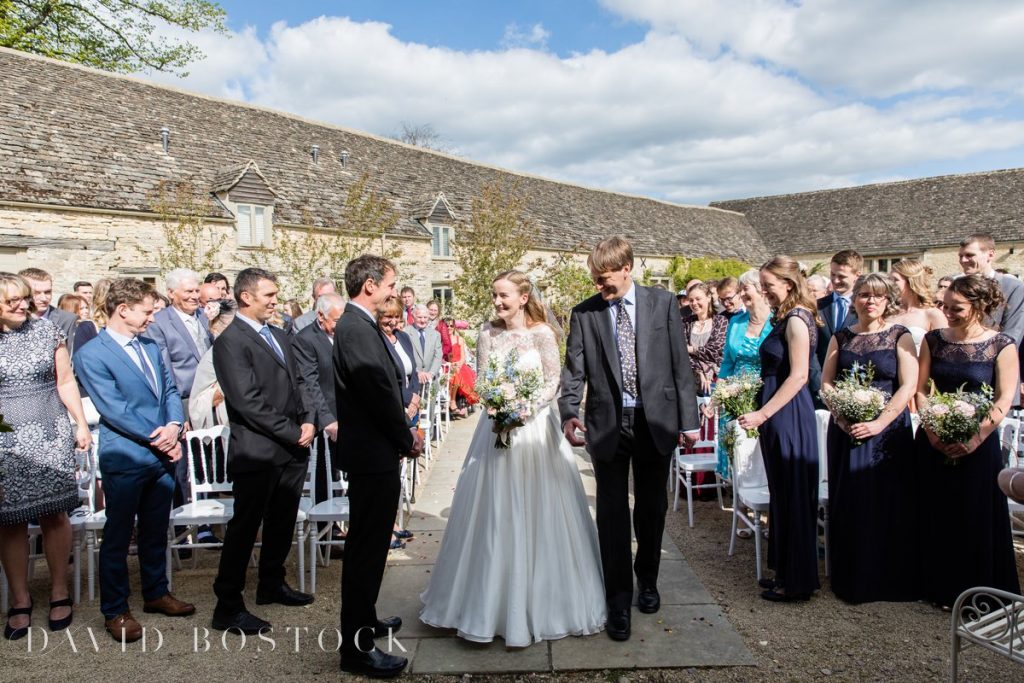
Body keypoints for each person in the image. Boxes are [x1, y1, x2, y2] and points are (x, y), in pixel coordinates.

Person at [421, 270, 606, 646]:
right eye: (494, 295)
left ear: (524, 297)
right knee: (492, 511)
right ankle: (483, 604)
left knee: (541, 509)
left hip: (535, 431)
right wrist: (498, 406)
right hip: (495, 432)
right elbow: (486, 378)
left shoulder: (542, 334)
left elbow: (553, 381)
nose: (497, 302)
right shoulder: (487, 334)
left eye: (504, 295)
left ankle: (545, 604)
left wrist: (524, 409)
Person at [560, 237, 700, 642]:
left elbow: (680, 364)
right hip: (606, 423)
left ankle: (648, 580)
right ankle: (618, 600)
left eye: (606, 280)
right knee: (612, 514)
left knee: (652, 509)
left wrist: (688, 422)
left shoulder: (663, 303)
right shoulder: (584, 314)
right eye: (596, 281)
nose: (601, 288)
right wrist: (569, 413)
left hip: (655, 420)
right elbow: (574, 372)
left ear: (627, 268)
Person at [74, 278, 196, 643]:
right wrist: (162, 439)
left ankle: (156, 593)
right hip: (126, 454)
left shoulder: (149, 344)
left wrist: (174, 426)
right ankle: (116, 609)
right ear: (123, 309)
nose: (152, 319)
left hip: (162, 452)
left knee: (157, 530)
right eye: (147, 311)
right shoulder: (91, 354)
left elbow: (170, 389)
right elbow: (115, 409)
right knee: (117, 535)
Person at [210, 268, 316, 635]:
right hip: (258, 451)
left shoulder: (278, 334)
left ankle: (271, 584)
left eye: (275, 294)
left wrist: (309, 421)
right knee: (245, 528)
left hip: (292, 447)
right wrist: (293, 432)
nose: (275, 300)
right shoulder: (230, 341)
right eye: (269, 295)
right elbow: (247, 401)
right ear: (246, 297)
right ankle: (227, 604)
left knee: (282, 520)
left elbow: (299, 381)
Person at [334, 255, 422, 678]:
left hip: (375, 453)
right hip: (372, 456)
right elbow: (378, 394)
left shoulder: (360, 326)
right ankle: (356, 650)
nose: (393, 292)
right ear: (369, 285)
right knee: (366, 551)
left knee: (370, 549)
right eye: (390, 284)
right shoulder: (355, 329)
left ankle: (366, 620)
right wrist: (406, 437)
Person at [914, 274, 1020, 608]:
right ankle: (935, 586)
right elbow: (921, 390)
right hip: (933, 439)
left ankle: (978, 593)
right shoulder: (933, 340)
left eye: (956, 307)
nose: (947, 312)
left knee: (974, 516)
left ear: (979, 306)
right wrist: (932, 429)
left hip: (979, 443)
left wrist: (974, 438)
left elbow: (1004, 399)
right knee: (934, 513)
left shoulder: (1001, 344)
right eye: (944, 305)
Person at [0, 273, 92, 640]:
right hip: (5, 441)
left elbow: (65, 380)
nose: (24, 305)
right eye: (13, 302)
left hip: (51, 432)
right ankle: (20, 600)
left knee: (55, 513)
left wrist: (80, 424)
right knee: (10, 521)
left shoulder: (46, 331)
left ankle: (59, 590)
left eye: (24, 298)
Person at [820, 274, 918, 603]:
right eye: (863, 295)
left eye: (877, 296)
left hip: (889, 432)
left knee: (889, 501)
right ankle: (852, 579)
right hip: (847, 431)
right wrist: (842, 416)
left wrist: (879, 423)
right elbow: (827, 383)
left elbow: (908, 385)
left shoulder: (899, 336)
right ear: (854, 300)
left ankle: (891, 579)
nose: (870, 301)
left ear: (888, 299)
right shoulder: (841, 337)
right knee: (851, 502)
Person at [738, 256, 820, 602]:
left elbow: (799, 376)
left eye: (769, 285)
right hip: (777, 413)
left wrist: (762, 414)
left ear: (788, 283)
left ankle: (797, 582)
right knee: (782, 496)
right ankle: (785, 572)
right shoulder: (785, 317)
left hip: (787, 414)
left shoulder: (798, 321)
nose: (764, 291)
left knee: (793, 496)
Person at [143, 268, 217, 548]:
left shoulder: (202, 316)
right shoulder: (159, 323)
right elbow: (165, 371)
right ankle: (180, 528)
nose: (195, 296)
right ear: (171, 292)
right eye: (188, 292)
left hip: (209, 398)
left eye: (197, 291)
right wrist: (177, 414)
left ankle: (207, 524)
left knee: (208, 464)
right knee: (181, 466)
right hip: (182, 400)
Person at [292, 293, 346, 552]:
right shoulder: (304, 341)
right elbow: (311, 386)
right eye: (336, 320)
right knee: (325, 477)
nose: (341, 324)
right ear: (320, 316)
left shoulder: (343, 335)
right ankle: (327, 535)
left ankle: (344, 524)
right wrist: (328, 421)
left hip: (347, 415)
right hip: (325, 419)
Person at [715, 269, 773, 480]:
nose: (742, 294)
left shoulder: (777, 321)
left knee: (760, 449)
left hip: (765, 392)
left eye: (745, 289)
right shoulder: (736, 322)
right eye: (740, 290)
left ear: (761, 289)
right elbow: (728, 362)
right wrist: (719, 394)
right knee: (737, 450)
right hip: (734, 393)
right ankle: (741, 497)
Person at [958, 233, 1024, 346]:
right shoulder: (957, 287)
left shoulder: (1013, 287)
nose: (963, 260)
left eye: (969, 255)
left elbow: (1013, 333)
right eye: (960, 256)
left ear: (990, 254)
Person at [187, 302, 236, 429]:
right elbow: (197, 402)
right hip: (227, 420)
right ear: (215, 328)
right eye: (230, 326)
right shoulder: (212, 355)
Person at [377, 297, 422, 430]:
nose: (393, 321)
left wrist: (414, 398)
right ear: (379, 316)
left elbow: (413, 372)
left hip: (411, 404)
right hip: (392, 404)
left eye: (397, 316)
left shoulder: (403, 337)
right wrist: (407, 398)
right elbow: (384, 380)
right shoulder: (377, 340)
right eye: (388, 316)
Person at [889, 259, 947, 353]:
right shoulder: (888, 312)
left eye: (895, 280)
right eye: (889, 280)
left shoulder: (932, 314)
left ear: (911, 282)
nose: (890, 284)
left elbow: (943, 352)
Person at [680, 281, 728, 396]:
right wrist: (700, 371)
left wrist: (691, 349)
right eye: (691, 300)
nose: (694, 303)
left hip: (716, 381)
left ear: (708, 297)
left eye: (698, 299)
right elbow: (681, 353)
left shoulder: (721, 321)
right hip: (691, 381)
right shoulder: (686, 323)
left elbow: (715, 351)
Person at [18, 268, 78, 354]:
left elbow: (70, 356)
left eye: (47, 292)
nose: (44, 298)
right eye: (36, 293)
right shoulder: (11, 318)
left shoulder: (67, 319)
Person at [410, 303, 443, 385]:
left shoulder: (436, 335)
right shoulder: (405, 333)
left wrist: (431, 373)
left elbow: (438, 356)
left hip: (431, 381)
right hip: (412, 380)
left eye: (425, 317)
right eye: (419, 317)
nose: (423, 320)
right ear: (413, 317)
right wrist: (417, 372)